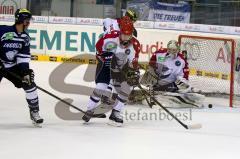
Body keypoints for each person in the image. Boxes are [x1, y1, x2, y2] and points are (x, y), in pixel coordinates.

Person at [82, 17, 140, 126]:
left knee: (127, 88)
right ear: (120, 32)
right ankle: (90, 109)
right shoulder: (109, 38)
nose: (126, 38)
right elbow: (98, 49)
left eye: (129, 35)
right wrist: (105, 57)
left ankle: (116, 113)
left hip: (122, 68)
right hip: (107, 66)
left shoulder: (135, 45)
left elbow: (133, 63)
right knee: (100, 87)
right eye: (124, 34)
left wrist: (133, 73)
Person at [0, 8, 43, 125]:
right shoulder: (3, 31)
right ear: (21, 20)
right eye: (27, 21)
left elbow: (23, 57)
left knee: (29, 84)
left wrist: (25, 72)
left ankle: (34, 112)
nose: (29, 23)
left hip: (13, 66)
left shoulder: (25, 37)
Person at [141, 40, 204, 108]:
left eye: (174, 50)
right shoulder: (159, 53)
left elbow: (184, 76)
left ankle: (179, 96)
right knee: (142, 78)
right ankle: (155, 91)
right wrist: (152, 74)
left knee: (183, 86)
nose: (171, 52)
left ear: (178, 50)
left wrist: (181, 82)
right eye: (169, 49)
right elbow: (151, 65)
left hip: (171, 83)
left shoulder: (182, 60)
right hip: (157, 81)